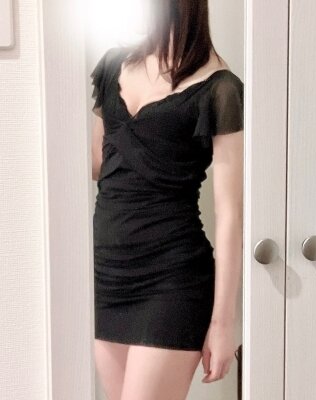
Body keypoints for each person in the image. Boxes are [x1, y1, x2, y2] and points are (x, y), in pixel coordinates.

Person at [90, 1, 244, 399]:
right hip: (105, 276)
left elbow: (230, 213)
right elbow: (97, 164)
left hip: (172, 280)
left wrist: (223, 323)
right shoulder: (113, 65)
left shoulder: (220, 87)